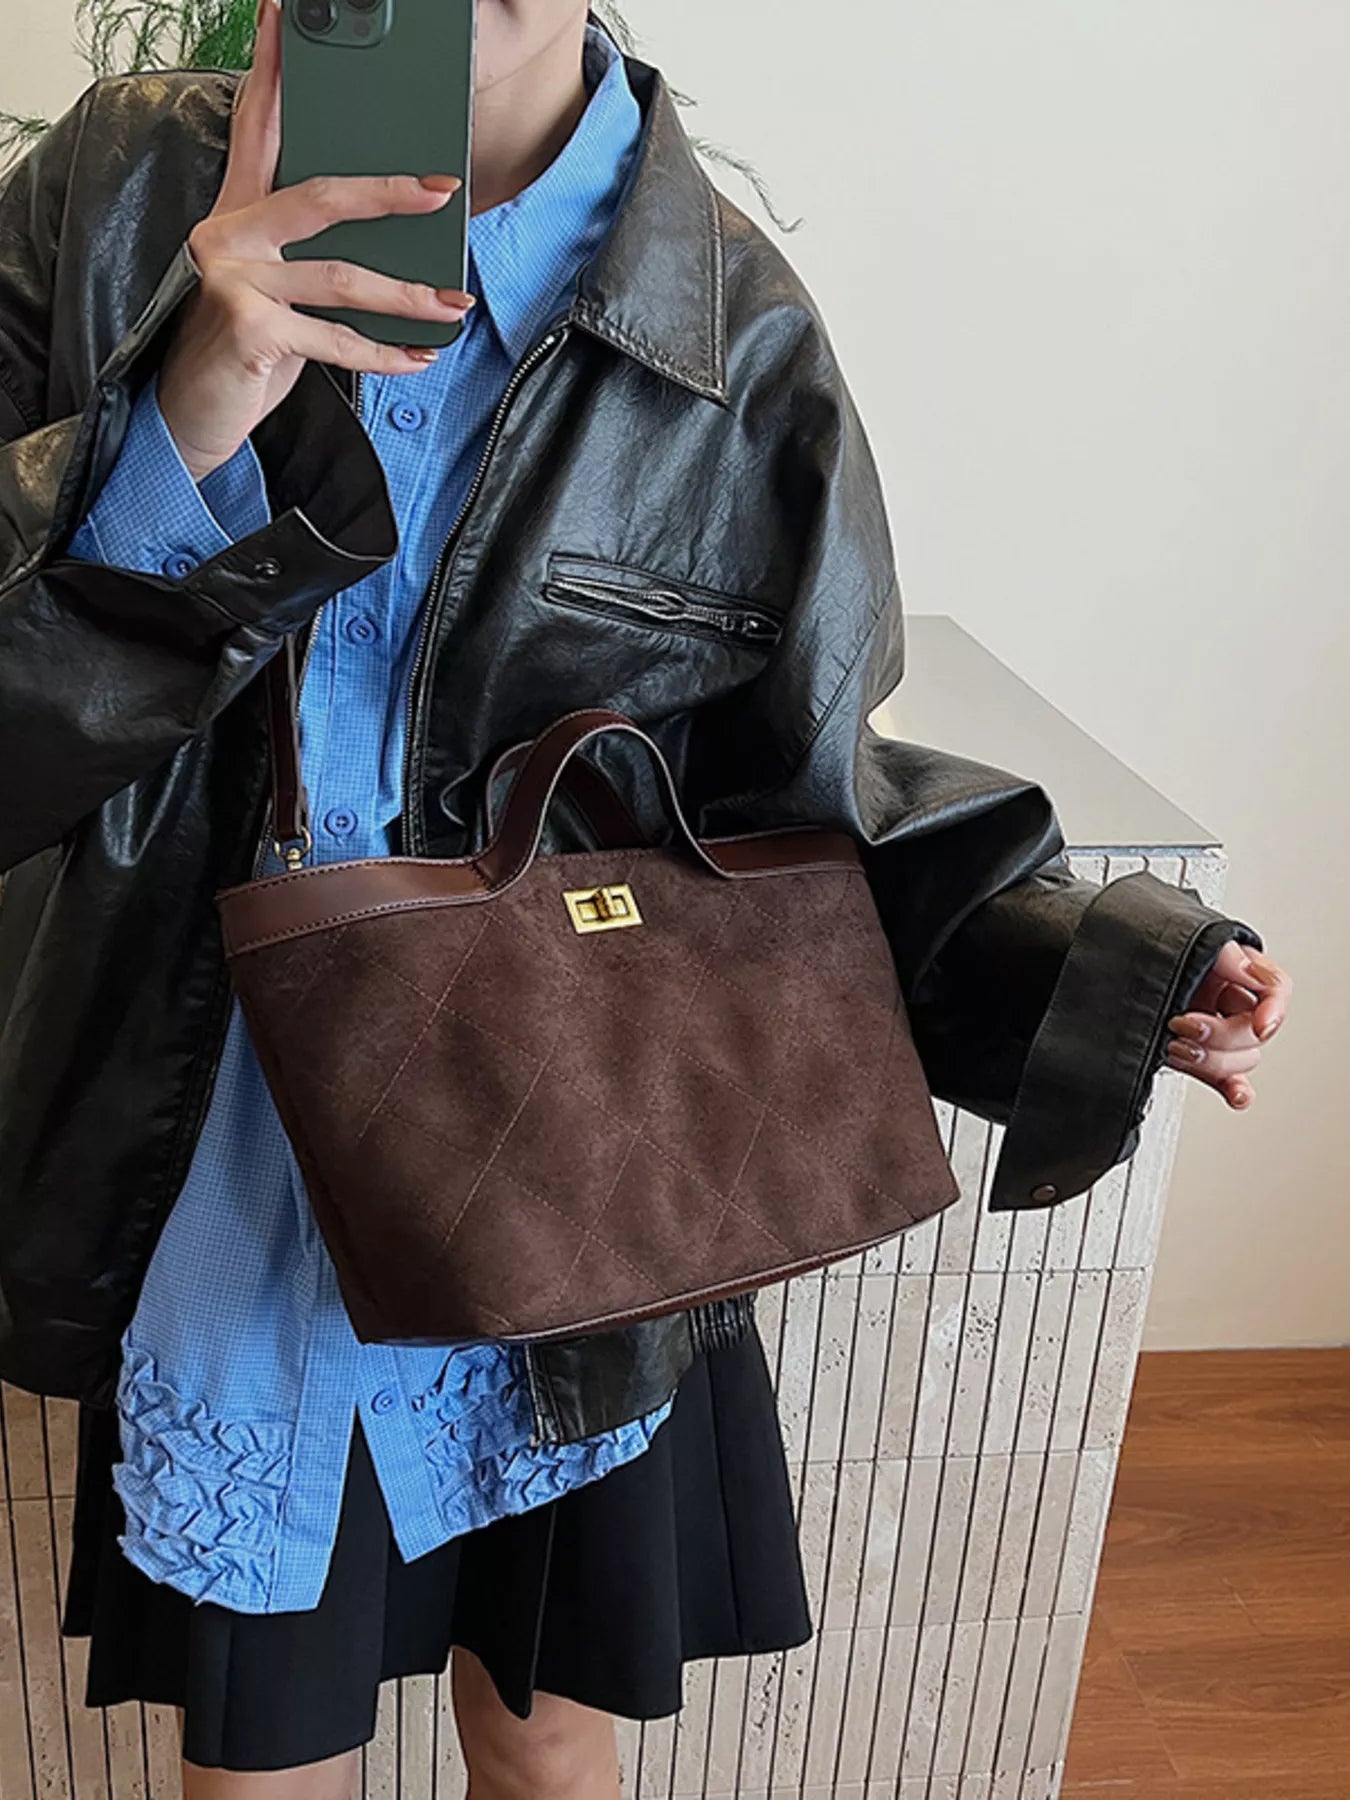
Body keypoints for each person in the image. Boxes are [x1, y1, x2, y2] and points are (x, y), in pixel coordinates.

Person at [0, 1, 1292, 1795]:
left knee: (550, 1751)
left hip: (581, 1151)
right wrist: (188, 413)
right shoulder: (118, 199)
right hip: (236, 1161)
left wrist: (1091, 970)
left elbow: (801, 795)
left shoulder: (731, 330)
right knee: (259, 1768)